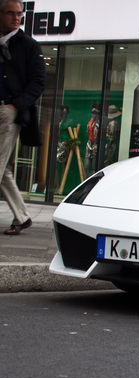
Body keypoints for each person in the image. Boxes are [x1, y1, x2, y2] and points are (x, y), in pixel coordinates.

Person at [0, 0, 46, 235]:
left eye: (20, 14)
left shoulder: (28, 45)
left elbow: (39, 81)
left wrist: (16, 105)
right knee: (3, 168)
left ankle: (21, 216)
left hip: (9, 112)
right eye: (11, 13)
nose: (16, 18)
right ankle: (22, 216)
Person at [85, 104, 100, 175]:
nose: (93, 114)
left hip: (96, 144)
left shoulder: (100, 123)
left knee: (94, 167)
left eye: (95, 113)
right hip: (89, 143)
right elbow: (87, 133)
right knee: (87, 166)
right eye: (92, 112)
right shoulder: (90, 122)